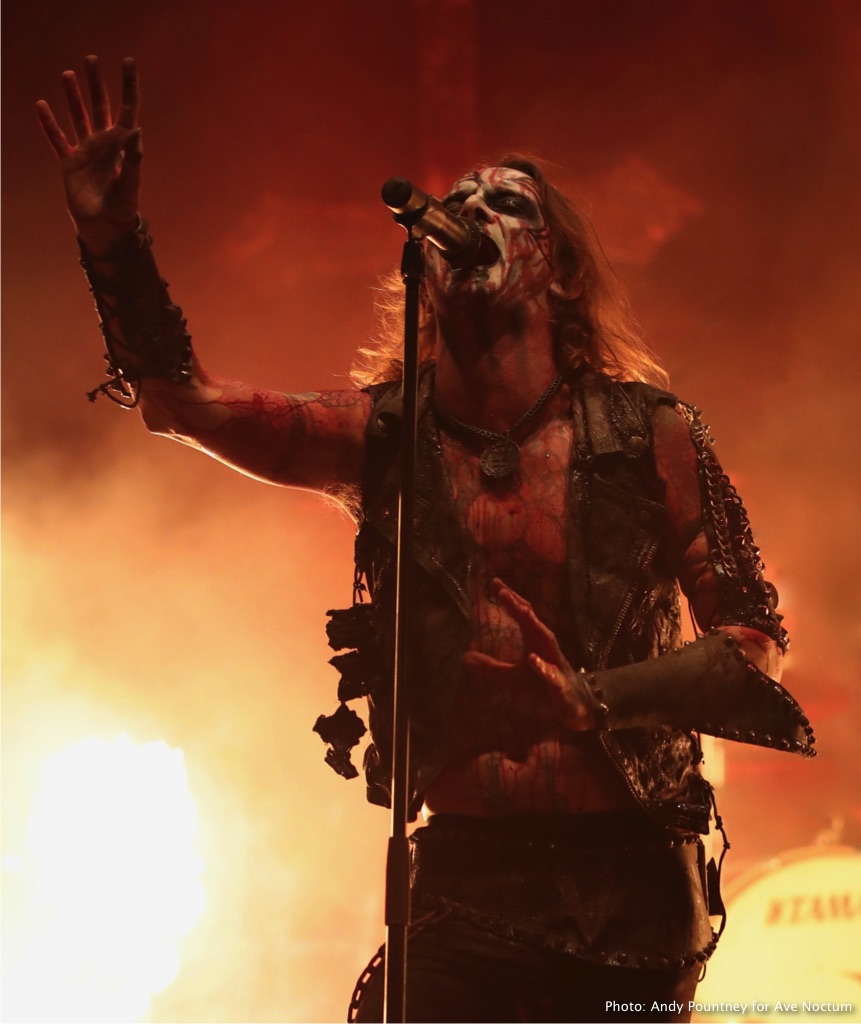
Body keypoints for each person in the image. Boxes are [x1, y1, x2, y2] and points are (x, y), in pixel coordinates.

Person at [38, 58, 815, 1024]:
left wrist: (592, 699)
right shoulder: (383, 436)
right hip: (460, 885)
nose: (472, 212)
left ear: (562, 270)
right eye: (458, 203)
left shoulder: (651, 434)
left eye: (507, 204)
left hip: (632, 892)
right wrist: (112, 239)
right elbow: (179, 403)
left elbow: (753, 643)